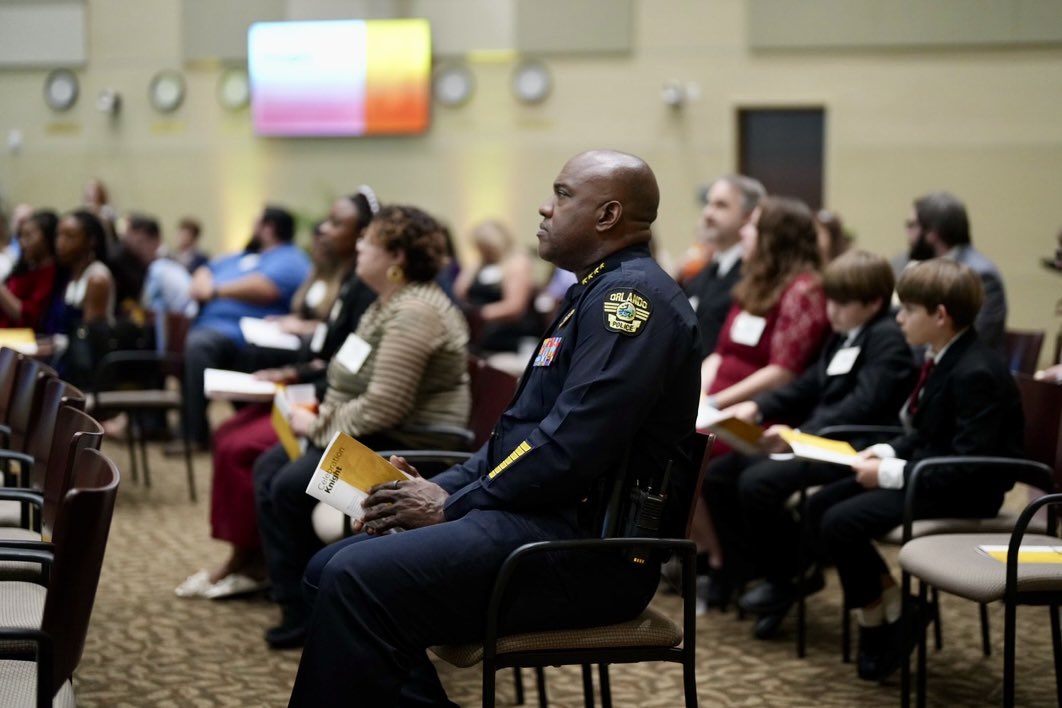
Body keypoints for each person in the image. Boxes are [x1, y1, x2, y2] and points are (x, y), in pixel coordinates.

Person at [285, 150, 701, 707]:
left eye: (561, 195)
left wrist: (450, 505)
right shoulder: (595, 291)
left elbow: (570, 447)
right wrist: (442, 486)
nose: (544, 207)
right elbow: (517, 438)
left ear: (606, 216)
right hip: (537, 519)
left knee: (354, 580)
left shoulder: (631, 300)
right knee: (326, 569)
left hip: (586, 551)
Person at [254, 204, 471, 649]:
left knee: (288, 486)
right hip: (367, 431)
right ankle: (298, 605)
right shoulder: (385, 303)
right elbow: (348, 380)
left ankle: (312, 611)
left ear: (396, 258)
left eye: (367, 242)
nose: (357, 246)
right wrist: (319, 416)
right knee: (268, 469)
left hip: (406, 443)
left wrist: (316, 426)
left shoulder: (416, 311)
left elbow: (384, 406)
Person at [808, 258, 1023, 681]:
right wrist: (882, 452)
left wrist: (889, 473)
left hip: (966, 489)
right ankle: (894, 608)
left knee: (840, 521)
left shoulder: (975, 370)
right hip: (933, 473)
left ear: (940, 315)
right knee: (822, 507)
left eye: (907, 309)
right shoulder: (943, 355)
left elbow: (966, 465)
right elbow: (925, 435)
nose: (899, 317)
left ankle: (878, 624)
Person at [174, 190, 378, 600]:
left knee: (243, 445)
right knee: (230, 430)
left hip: (337, 406)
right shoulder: (342, 277)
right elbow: (330, 351)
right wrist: (288, 373)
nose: (323, 229)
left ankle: (254, 562)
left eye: (336, 223)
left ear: (363, 233)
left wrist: (295, 375)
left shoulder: (365, 288)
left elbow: (350, 368)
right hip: (317, 387)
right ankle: (245, 555)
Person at [715, 250, 916, 638]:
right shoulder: (845, 335)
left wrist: (797, 436)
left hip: (857, 448)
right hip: (823, 439)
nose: (831, 311)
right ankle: (775, 570)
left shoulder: (886, 339)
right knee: (721, 475)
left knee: (757, 483)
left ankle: (789, 573)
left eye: (841, 303)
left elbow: (863, 405)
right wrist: (758, 407)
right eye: (830, 300)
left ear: (873, 303)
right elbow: (809, 385)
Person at [695, 196, 830, 608]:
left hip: (766, 407)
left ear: (775, 236)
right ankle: (721, 558)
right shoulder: (753, 281)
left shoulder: (803, 289)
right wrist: (697, 393)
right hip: (722, 399)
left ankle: (725, 562)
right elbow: (719, 352)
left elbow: (784, 370)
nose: (746, 232)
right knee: (670, 435)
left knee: (689, 447)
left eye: (753, 226)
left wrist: (715, 401)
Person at [177, 205, 311, 450]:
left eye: (256, 223)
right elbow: (206, 268)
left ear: (269, 228)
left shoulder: (290, 258)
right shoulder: (248, 255)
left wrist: (214, 290)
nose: (252, 228)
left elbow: (266, 288)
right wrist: (203, 282)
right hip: (211, 324)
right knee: (188, 339)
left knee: (199, 345)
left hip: (241, 333)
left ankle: (193, 434)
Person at [895, 191, 1007, 354]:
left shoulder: (980, 274)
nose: (908, 233)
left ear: (932, 234)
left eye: (912, 225)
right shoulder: (921, 266)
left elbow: (975, 341)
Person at [683, 174, 766, 356]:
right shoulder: (706, 272)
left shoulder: (756, 274)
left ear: (748, 216)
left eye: (721, 205)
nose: (708, 213)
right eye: (708, 204)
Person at [454, 219, 541, 353]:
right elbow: (459, 292)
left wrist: (478, 314)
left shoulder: (517, 263)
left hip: (509, 336)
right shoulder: (480, 265)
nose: (484, 252)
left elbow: (514, 307)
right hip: (480, 336)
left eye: (487, 247)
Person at [0, 209, 60, 330]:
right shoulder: (27, 268)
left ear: (47, 239)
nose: (22, 243)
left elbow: (27, 317)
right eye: (21, 236)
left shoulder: (50, 274)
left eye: (28, 236)